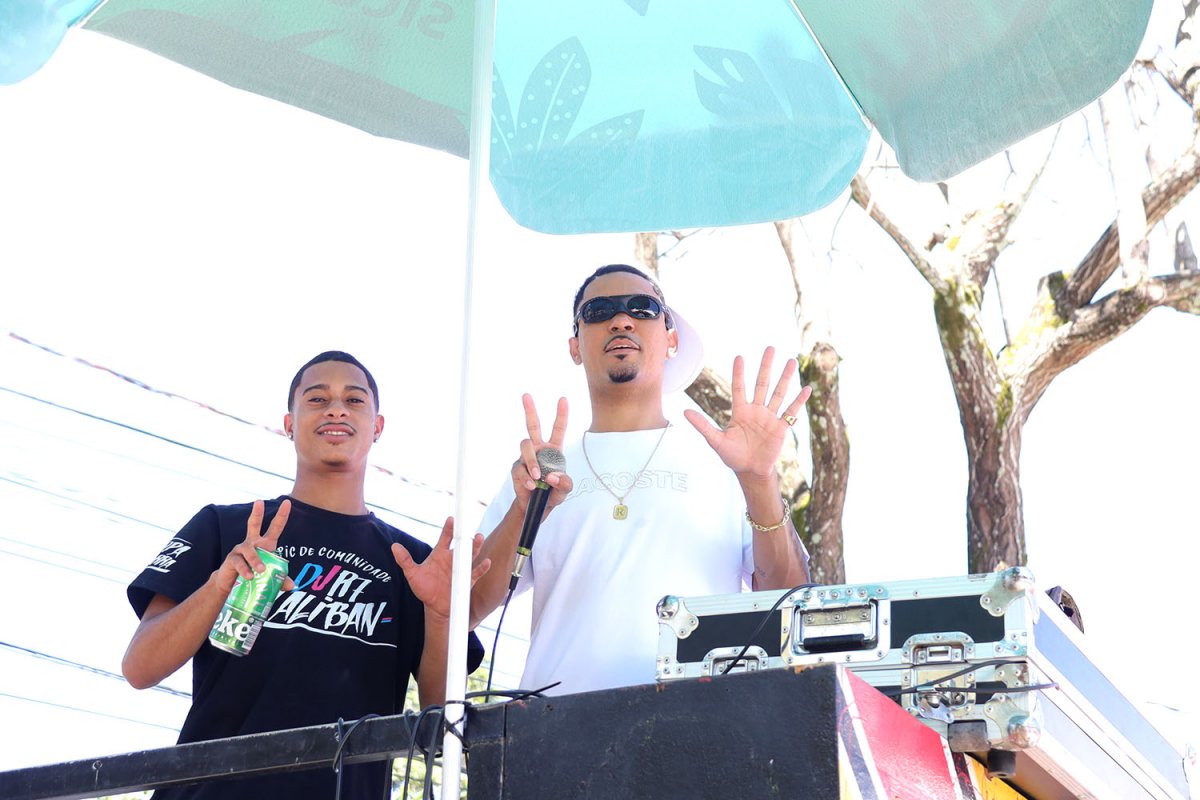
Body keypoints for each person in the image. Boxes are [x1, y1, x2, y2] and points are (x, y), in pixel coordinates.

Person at [123, 351, 489, 799]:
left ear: (377, 426)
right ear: (289, 423)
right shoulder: (226, 528)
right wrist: (221, 584)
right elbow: (139, 668)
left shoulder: (412, 564)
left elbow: (440, 726)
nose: (336, 409)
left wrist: (441, 616)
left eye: (354, 400)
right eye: (317, 399)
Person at [471, 264, 811, 696]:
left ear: (671, 339)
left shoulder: (727, 465)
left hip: (697, 717)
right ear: (575, 347)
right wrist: (523, 512)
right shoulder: (542, 474)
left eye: (642, 308)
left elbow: (792, 606)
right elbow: (468, 607)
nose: (621, 320)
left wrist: (760, 481)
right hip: (550, 723)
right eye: (598, 311)